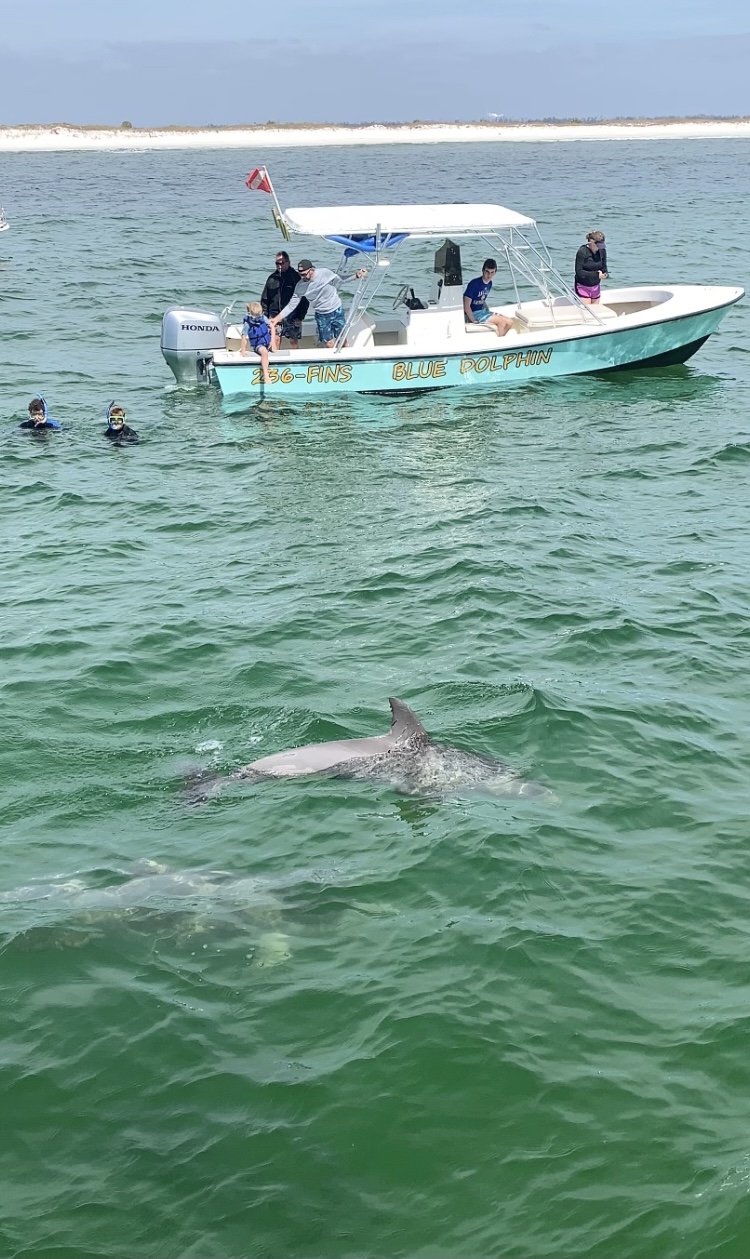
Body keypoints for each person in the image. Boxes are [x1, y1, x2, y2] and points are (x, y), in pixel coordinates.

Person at [270, 259, 368, 349]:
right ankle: (333, 364)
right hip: (321, 315)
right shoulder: (300, 286)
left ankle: (346, 363)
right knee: (329, 344)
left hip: (336, 309)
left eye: (304, 274)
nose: (302, 277)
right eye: (300, 275)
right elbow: (291, 305)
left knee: (343, 341)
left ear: (312, 270)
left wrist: (356, 276)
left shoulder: (324, 273)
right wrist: (276, 319)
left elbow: (340, 280)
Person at [260, 251, 309, 350]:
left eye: (281, 263)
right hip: (274, 314)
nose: (279, 266)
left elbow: (304, 299)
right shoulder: (272, 278)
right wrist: (265, 317)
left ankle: (296, 362)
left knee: (293, 340)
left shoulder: (296, 277)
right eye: (277, 263)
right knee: (275, 339)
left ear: (288, 262)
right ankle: (275, 361)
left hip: (293, 315)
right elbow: (265, 299)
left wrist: (300, 317)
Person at [463, 259, 512, 336]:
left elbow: (482, 299)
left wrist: (488, 311)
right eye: (487, 272)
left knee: (509, 322)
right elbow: (466, 304)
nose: (489, 275)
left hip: (483, 312)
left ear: (495, 272)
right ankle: (500, 343)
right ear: (483, 271)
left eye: (492, 272)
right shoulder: (474, 284)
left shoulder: (489, 283)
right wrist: (473, 320)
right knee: (501, 322)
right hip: (475, 313)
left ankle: (500, 337)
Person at [240, 302, 272, 383]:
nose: (258, 318)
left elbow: (272, 327)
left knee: (273, 349)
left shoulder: (263, 318)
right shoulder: (248, 324)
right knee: (264, 352)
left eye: (259, 315)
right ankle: (266, 374)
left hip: (267, 342)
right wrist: (243, 350)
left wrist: (273, 341)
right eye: (256, 316)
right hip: (258, 345)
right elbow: (243, 336)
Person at [574, 230, 608, 304]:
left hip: (595, 287)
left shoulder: (602, 251)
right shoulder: (582, 252)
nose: (599, 248)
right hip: (582, 286)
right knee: (587, 310)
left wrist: (605, 274)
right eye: (598, 245)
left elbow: (604, 268)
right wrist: (596, 275)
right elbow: (579, 272)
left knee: (595, 310)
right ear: (591, 242)